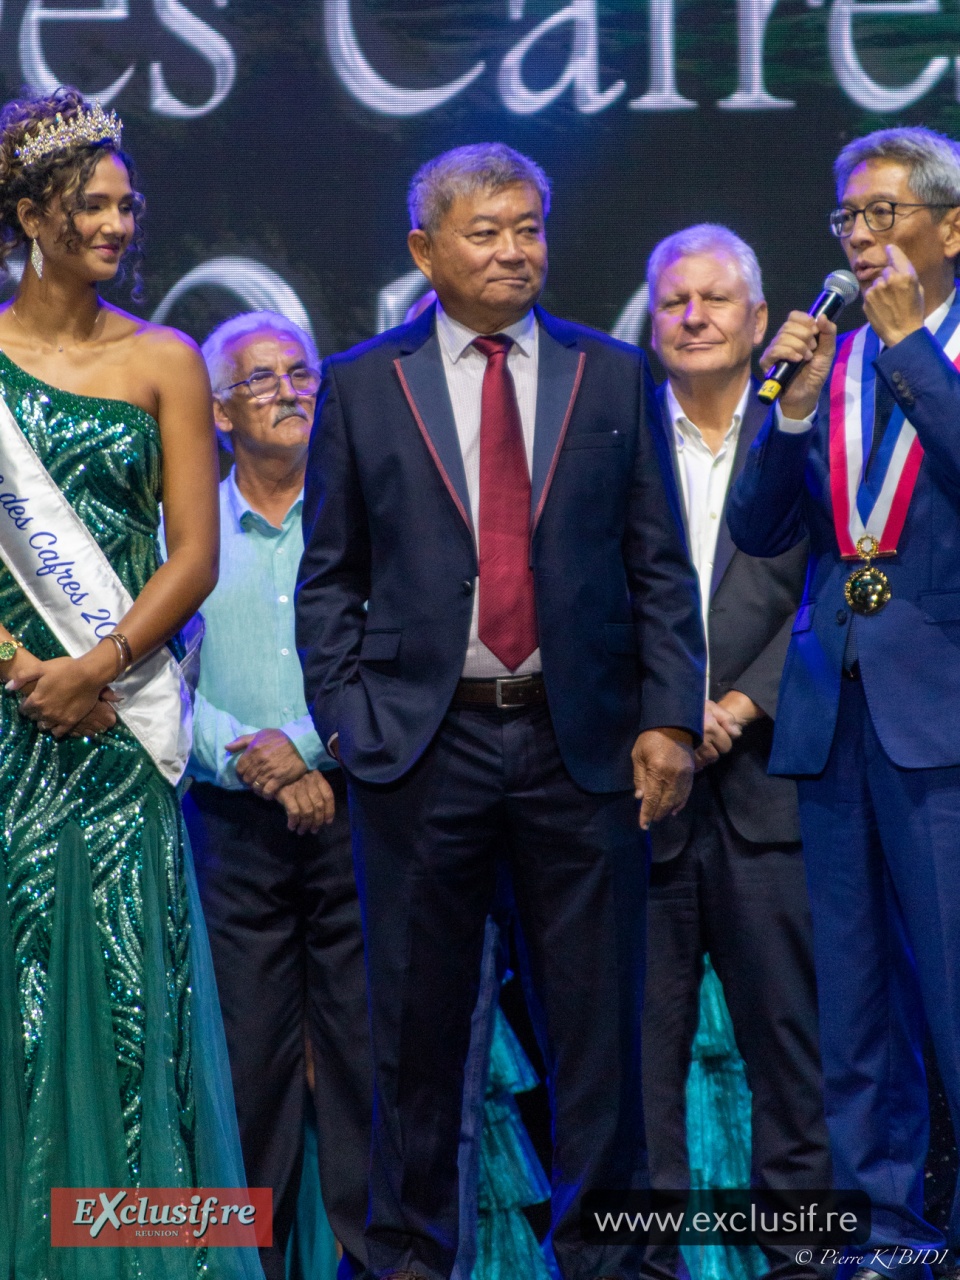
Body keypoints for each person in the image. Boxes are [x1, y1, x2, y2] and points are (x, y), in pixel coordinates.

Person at [295, 142, 706, 1280]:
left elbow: (660, 567)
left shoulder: (610, 373)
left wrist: (670, 718)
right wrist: (350, 721)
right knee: (413, 1039)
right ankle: (406, 1262)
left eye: (529, 227)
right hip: (421, 745)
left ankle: (615, 1265)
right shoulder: (363, 382)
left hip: (585, 744)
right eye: (486, 232)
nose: (515, 251)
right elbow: (328, 577)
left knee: (600, 1038)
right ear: (425, 250)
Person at [0, 88, 261, 1279]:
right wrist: (23, 669)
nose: (116, 222)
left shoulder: (166, 357)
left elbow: (195, 555)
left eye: (125, 203)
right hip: (11, 721)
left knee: (127, 1000)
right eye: (90, 204)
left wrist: (93, 667)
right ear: (30, 217)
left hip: (114, 725)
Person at [727, 126, 960, 1280]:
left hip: (943, 708)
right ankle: (885, 1228)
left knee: (953, 985)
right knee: (854, 996)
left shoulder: (918, 353)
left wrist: (913, 346)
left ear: (951, 226)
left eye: (883, 214)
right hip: (833, 705)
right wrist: (793, 412)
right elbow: (761, 526)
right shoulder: (839, 359)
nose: (861, 239)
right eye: (847, 219)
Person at [640, 224, 831, 1280]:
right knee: (638, 1070)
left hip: (777, 790)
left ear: (759, 320)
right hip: (644, 794)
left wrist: (743, 703)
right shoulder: (617, 436)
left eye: (717, 299)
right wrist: (673, 710)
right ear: (652, 322)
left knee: (795, 1060)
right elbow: (592, 592)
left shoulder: (809, 432)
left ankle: (804, 1263)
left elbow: (830, 588)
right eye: (676, 300)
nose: (696, 316)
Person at [180, 311, 372, 1280]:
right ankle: (241, 1265)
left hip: (357, 813)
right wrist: (247, 760)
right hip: (229, 831)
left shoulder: (363, 517)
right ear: (218, 413)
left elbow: (394, 653)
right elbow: (156, 684)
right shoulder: (182, 528)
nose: (289, 391)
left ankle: (372, 1260)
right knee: (243, 1074)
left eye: (302, 373)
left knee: (368, 1070)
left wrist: (300, 751)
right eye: (260, 379)